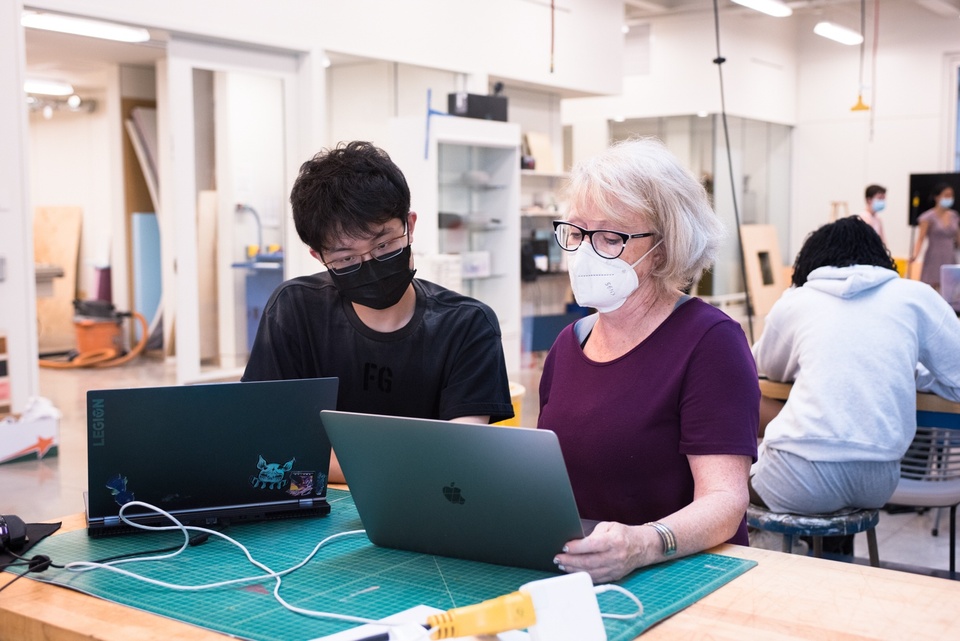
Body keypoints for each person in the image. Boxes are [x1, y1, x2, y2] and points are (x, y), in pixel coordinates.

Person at [538, 138, 759, 583]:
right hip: (583, 575)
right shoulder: (568, 344)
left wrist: (643, 544)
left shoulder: (710, 342)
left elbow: (724, 502)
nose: (584, 252)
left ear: (662, 247)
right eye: (577, 233)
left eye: (609, 237)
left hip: (682, 576)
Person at [242, 141, 514, 483]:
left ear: (410, 225)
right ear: (319, 257)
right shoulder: (294, 310)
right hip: (317, 511)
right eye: (346, 259)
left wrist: (314, 461)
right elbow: (265, 440)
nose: (369, 265)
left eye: (384, 245)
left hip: (423, 511)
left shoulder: (467, 325)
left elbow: (459, 455)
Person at [751, 217, 960, 519]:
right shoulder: (916, 296)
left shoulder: (798, 300)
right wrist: (910, 373)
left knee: (728, 487)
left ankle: (791, 553)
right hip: (878, 480)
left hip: (797, 476)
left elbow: (767, 368)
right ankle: (829, 553)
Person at [910, 182, 960, 292]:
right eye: (946, 195)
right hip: (934, 256)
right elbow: (921, 239)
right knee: (932, 287)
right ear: (937, 197)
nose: (950, 198)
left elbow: (958, 238)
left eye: (951, 195)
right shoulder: (927, 217)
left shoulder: (954, 216)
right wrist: (914, 255)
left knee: (951, 288)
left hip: (950, 255)